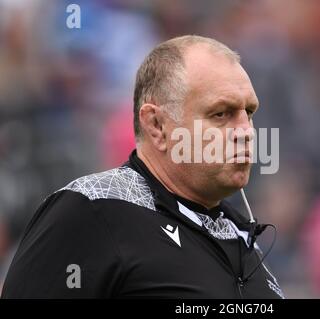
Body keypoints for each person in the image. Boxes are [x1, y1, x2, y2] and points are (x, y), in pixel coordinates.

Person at [1, 35, 284, 298]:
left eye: (249, 113)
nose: (246, 131)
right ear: (157, 125)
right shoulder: (92, 209)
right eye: (221, 113)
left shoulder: (242, 235)